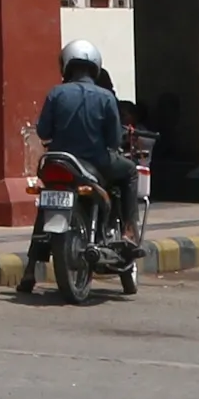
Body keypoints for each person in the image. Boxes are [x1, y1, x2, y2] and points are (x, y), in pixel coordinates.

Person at [36, 41, 137, 256]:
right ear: (95, 67)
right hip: (96, 163)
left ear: (66, 66)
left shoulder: (55, 93)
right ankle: (129, 230)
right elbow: (114, 141)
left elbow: (43, 132)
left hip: (60, 162)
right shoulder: (106, 97)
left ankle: (29, 270)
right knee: (130, 172)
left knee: (48, 199)